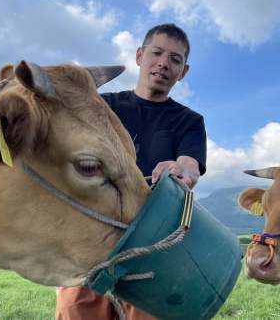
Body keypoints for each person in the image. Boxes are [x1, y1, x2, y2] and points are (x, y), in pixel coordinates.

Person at [54, 23, 207, 320]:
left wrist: (181, 171)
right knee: (74, 312)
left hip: (152, 246)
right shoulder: (101, 105)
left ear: (183, 71)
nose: (164, 63)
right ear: (140, 55)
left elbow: (190, 166)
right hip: (91, 238)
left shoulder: (190, 121)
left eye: (175, 59)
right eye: (157, 52)